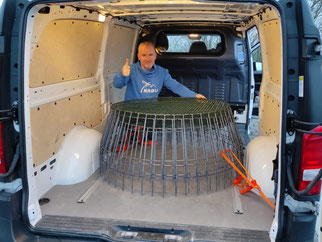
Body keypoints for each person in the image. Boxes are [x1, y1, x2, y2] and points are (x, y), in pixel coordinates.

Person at [113, 41, 206, 100]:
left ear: (155, 56)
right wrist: (122, 75)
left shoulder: (162, 72)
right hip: (132, 114)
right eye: (144, 55)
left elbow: (176, 86)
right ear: (138, 56)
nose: (148, 59)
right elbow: (117, 85)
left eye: (150, 55)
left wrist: (194, 95)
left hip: (151, 113)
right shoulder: (131, 70)